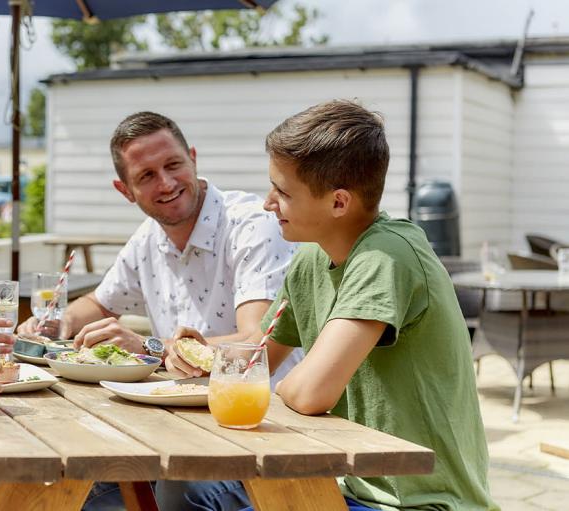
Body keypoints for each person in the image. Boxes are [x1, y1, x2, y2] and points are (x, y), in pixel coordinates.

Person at [179, 100, 500, 510]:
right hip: (343, 485)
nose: (267, 203)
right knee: (183, 487)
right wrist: (179, 351)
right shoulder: (310, 261)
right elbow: (254, 360)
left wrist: (281, 383)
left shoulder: (387, 256)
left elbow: (310, 392)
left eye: (282, 191)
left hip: (413, 500)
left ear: (338, 203)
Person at [19, 111, 302, 384]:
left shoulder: (252, 224)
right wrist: (58, 322)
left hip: (266, 415)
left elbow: (257, 343)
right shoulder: (147, 238)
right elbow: (100, 304)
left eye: (173, 165)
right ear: (125, 191)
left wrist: (148, 346)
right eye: (147, 176)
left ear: (192, 159)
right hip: (180, 409)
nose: (166, 184)